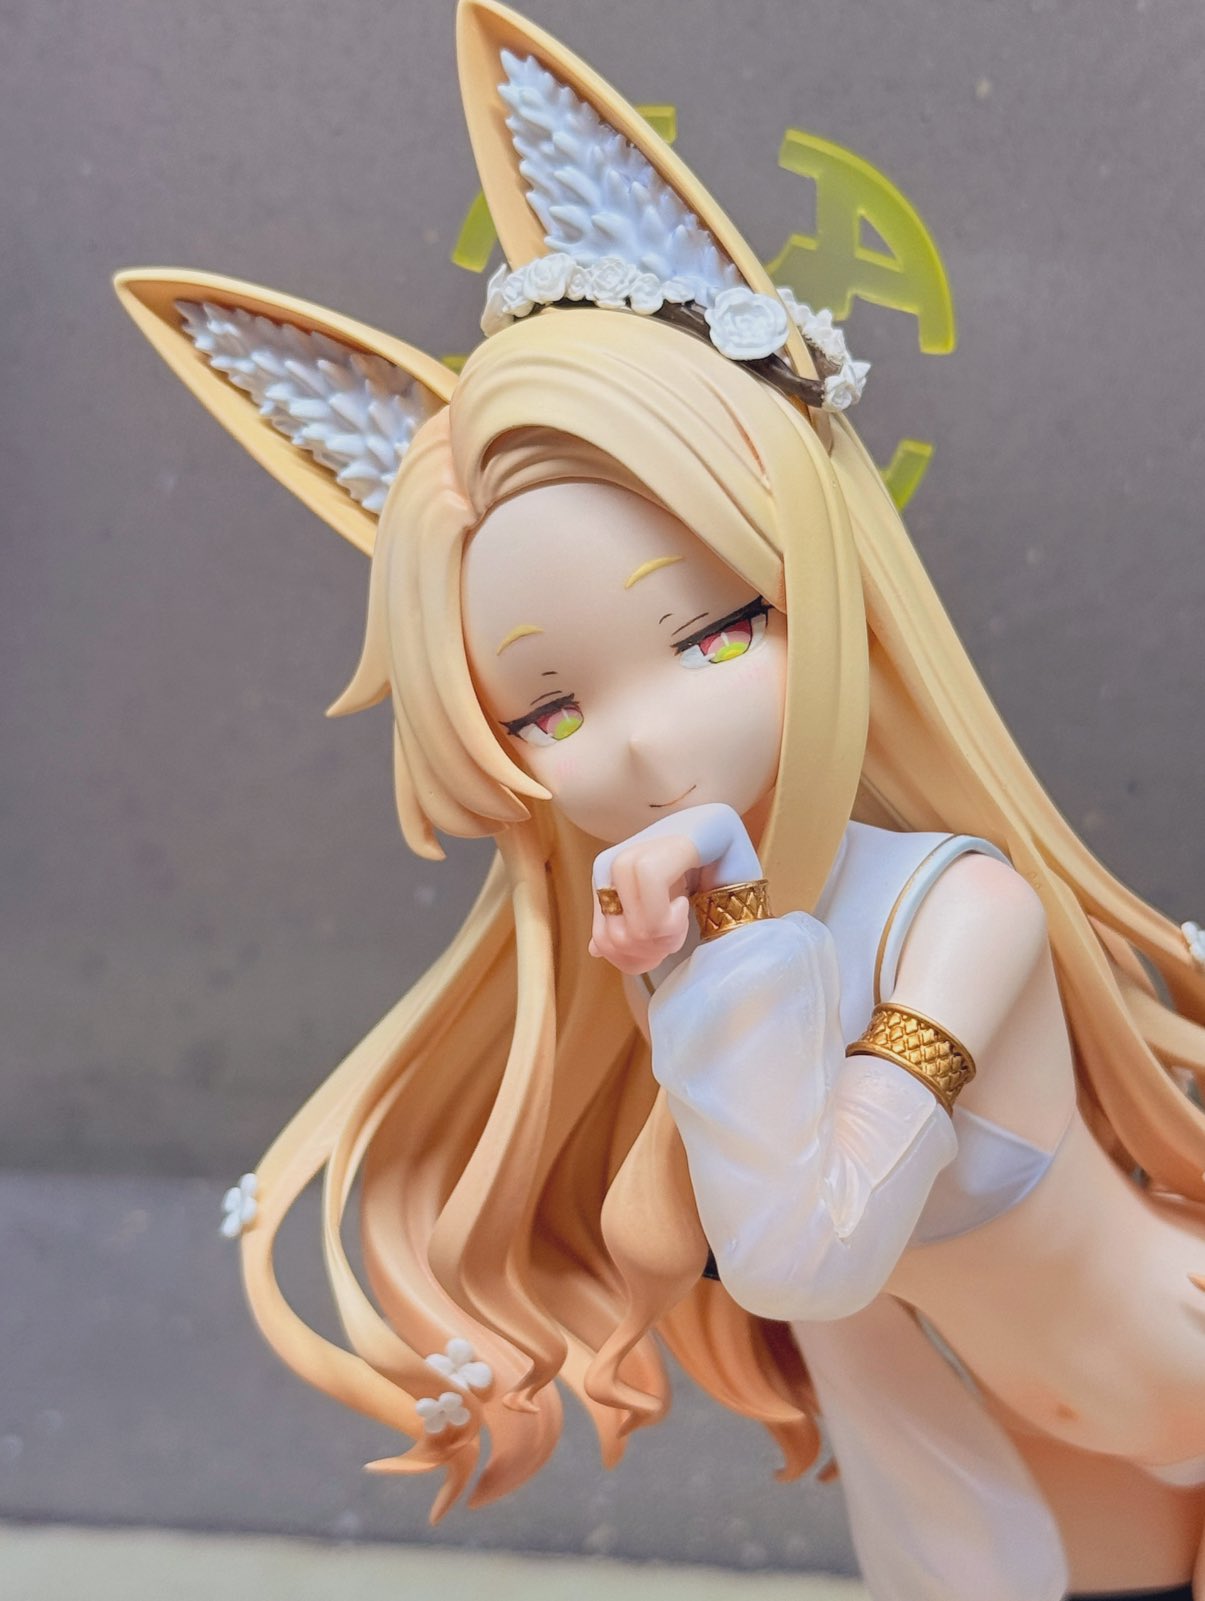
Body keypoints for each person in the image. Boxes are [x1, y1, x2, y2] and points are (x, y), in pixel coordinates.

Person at [116, 3, 1205, 1596]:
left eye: (712, 633)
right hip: (1041, 1441)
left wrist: (730, 929)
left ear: (819, 583)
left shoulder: (959, 915)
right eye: (548, 708)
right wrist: (546, 1288)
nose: (642, 742)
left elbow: (806, 1246)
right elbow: (676, 1231)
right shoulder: (698, 948)